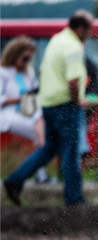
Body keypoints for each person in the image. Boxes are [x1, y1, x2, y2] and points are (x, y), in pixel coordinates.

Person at [4, 10, 93, 207]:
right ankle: (74, 198)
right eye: (89, 28)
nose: (90, 32)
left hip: (48, 105)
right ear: (80, 28)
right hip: (66, 106)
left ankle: (15, 179)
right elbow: (72, 80)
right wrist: (78, 99)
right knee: (71, 152)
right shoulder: (73, 46)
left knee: (49, 149)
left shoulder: (56, 40)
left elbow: (43, 71)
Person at [0, 36, 50, 186]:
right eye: (25, 58)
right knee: (41, 133)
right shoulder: (3, 72)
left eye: (29, 59)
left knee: (42, 128)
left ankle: (38, 173)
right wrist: (19, 98)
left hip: (27, 112)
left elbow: (34, 92)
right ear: (16, 54)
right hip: (8, 114)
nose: (27, 62)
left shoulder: (28, 72)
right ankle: (40, 173)